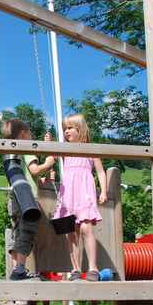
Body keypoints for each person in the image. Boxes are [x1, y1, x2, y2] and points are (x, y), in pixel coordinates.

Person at [54, 113, 107, 281]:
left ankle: (93, 268)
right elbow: (51, 155)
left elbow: (100, 171)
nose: (66, 131)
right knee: (70, 232)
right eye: (64, 129)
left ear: (80, 129)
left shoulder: (90, 149)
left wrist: (103, 190)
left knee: (86, 228)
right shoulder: (64, 150)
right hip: (67, 194)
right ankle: (75, 268)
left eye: (70, 128)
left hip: (84, 192)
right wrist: (48, 142)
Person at [1, 118, 56, 280]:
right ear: (24, 134)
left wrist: (41, 181)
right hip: (26, 198)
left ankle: (16, 269)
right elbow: (34, 169)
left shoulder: (12, 151)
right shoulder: (26, 148)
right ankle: (19, 269)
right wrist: (48, 162)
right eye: (30, 133)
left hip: (15, 195)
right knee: (27, 231)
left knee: (18, 232)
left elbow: (27, 175)